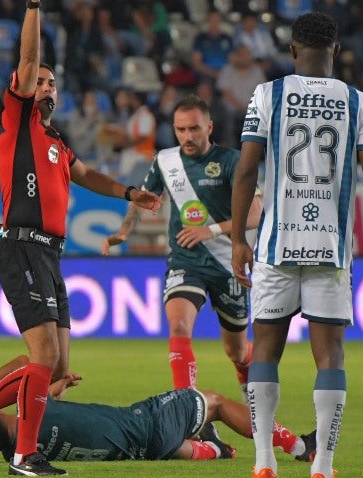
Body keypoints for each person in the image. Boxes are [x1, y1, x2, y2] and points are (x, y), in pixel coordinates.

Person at [0, 0, 162, 478]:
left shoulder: (58, 143)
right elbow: (27, 58)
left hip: (49, 252)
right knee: (42, 354)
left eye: (52, 83)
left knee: (56, 366)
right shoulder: (16, 124)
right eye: (40, 80)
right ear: (22, 87)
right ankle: (18, 449)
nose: (46, 85)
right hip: (21, 247)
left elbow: (88, 176)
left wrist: (130, 192)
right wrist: (34, 6)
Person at [230, 12, 363, 478]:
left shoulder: (269, 95)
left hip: (277, 245)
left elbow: (245, 171)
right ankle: (322, 469)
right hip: (330, 248)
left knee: (264, 353)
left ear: (293, 51)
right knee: (330, 358)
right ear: (335, 52)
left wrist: (239, 237)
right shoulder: (358, 103)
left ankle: (264, 466)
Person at [101, 94, 264, 398]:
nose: (187, 137)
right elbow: (143, 199)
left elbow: (254, 215)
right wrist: (124, 231)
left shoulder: (233, 161)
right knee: (178, 328)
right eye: (180, 130)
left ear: (209, 127)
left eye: (194, 129)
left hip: (228, 264)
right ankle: (186, 409)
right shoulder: (166, 160)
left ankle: (249, 381)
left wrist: (210, 231)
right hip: (185, 261)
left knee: (237, 350)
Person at [0, 354, 316, 464]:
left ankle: (216, 449)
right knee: (214, 401)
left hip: (140, 451)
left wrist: (57, 386)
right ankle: (299, 447)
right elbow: (25, 364)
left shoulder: (24, 450)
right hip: (143, 422)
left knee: (176, 445)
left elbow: (42, 400)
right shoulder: (29, 416)